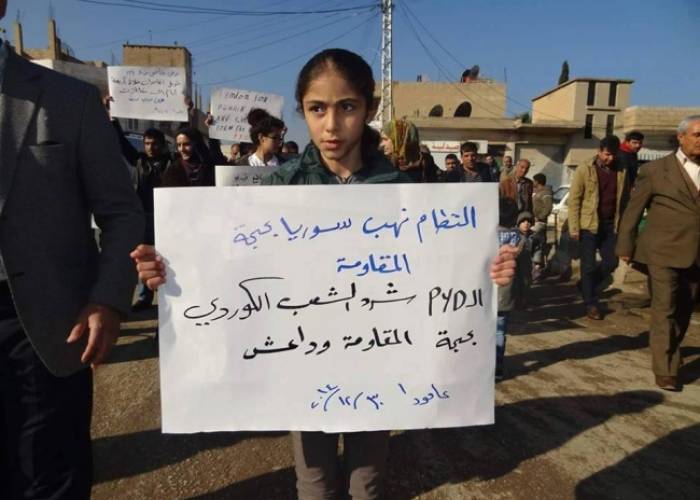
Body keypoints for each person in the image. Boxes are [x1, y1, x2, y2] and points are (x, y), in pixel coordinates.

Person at [131, 48, 516, 500]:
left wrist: (492, 271)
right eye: (317, 109)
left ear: (369, 109)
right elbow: (229, 269)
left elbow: (446, 278)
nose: (331, 125)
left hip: (380, 364)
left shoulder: (405, 193)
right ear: (302, 111)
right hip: (301, 366)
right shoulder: (279, 188)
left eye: (346, 107)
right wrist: (171, 270)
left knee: (367, 486)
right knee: (314, 486)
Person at [0, 1, 145, 496]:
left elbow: (122, 213)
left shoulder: (69, 100)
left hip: (48, 328)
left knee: (50, 475)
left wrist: (108, 299)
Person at [616, 115, 700, 391]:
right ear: (681, 137)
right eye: (697, 135)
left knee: (685, 309)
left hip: (696, 254)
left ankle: (670, 349)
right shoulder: (655, 170)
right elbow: (633, 210)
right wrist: (625, 245)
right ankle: (665, 369)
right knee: (665, 307)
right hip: (662, 251)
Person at [568, 135, 628, 320]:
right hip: (588, 224)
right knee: (588, 266)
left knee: (612, 262)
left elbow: (624, 198)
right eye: (607, 154)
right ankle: (591, 303)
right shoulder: (585, 169)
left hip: (610, 224)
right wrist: (574, 227)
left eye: (613, 155)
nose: (610, 158)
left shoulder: (621, 170)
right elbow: (574, 200)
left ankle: (586, 286)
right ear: (599, 151)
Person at [380, 117, 422, 182]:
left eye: (385, 139)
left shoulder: (423, 166)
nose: (381, 144)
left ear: (399, 140)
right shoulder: (384, 164)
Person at [531, 173, 553, 280]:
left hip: (539, 223)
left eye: (534, 180)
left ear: (538, 181)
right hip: (534, 222)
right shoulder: (537, 192)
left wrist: (539, 217)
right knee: (537, 244)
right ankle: (536, 267)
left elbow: (548, 207)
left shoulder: (546, 193)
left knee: (533, 242)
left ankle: (537, 268)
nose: (533, 182)